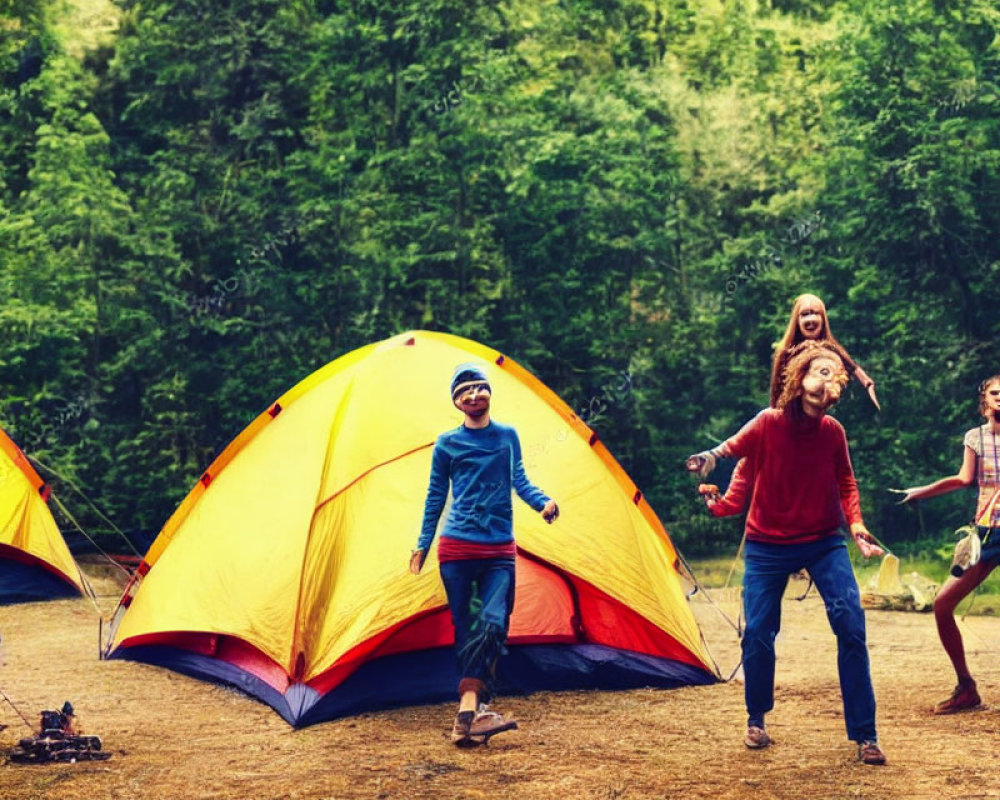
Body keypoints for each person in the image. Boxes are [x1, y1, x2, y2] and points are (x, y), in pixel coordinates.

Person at [687, 341, 888, 765]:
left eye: (835, 378)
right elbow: (729, 453)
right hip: (767, 544)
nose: (828, 383)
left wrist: (857, 527)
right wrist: (709, 464)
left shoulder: (832, 432)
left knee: (851, 624)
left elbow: (846, 484)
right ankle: (756, 718)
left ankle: (865, 735)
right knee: (758, 631)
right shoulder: (768, 424)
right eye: (820, 373)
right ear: (798, 381)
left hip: (822, 540)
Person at [410, 362, 559, 747]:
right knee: (468, 630)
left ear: (489, 392)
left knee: (493, 624)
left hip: (498, 550)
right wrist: (423, 544)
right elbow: (435, 496)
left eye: (479, 388)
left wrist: (542, 502)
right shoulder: (447, 444)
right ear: (457, 403)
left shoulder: (507, 436)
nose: (473, 395)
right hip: (457, 548)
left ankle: (470, 705)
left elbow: (519, 479)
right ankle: (474, 711)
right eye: (464, 392)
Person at [896, 374, 1000, 714]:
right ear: (984, 401)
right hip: (987, 533)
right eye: (995, 393)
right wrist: (921, 492)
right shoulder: (975, 437)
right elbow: (963, 478)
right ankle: (966, 688)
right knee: (942, 605)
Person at [770, 293, 879, 411]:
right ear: (797, 320)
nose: (810, 319)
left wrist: (867, 384)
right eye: (805, 314)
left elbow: (853, 368)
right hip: (788, 414)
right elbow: (776, 391)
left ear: (823, 319)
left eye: (816, 313)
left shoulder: (829, 348)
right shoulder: (786, 352)